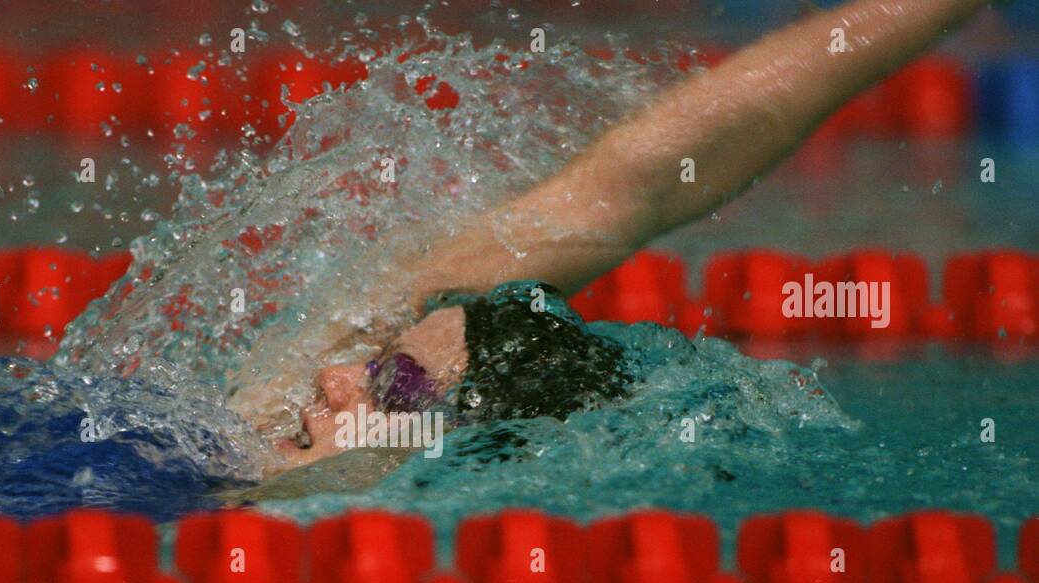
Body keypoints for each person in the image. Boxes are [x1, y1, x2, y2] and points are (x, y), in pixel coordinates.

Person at [245, 0, 993, 472]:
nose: (337, 377)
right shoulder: (267, 424)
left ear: (448, 454)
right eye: (380, 360)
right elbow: (638, 183)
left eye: (395, 389)